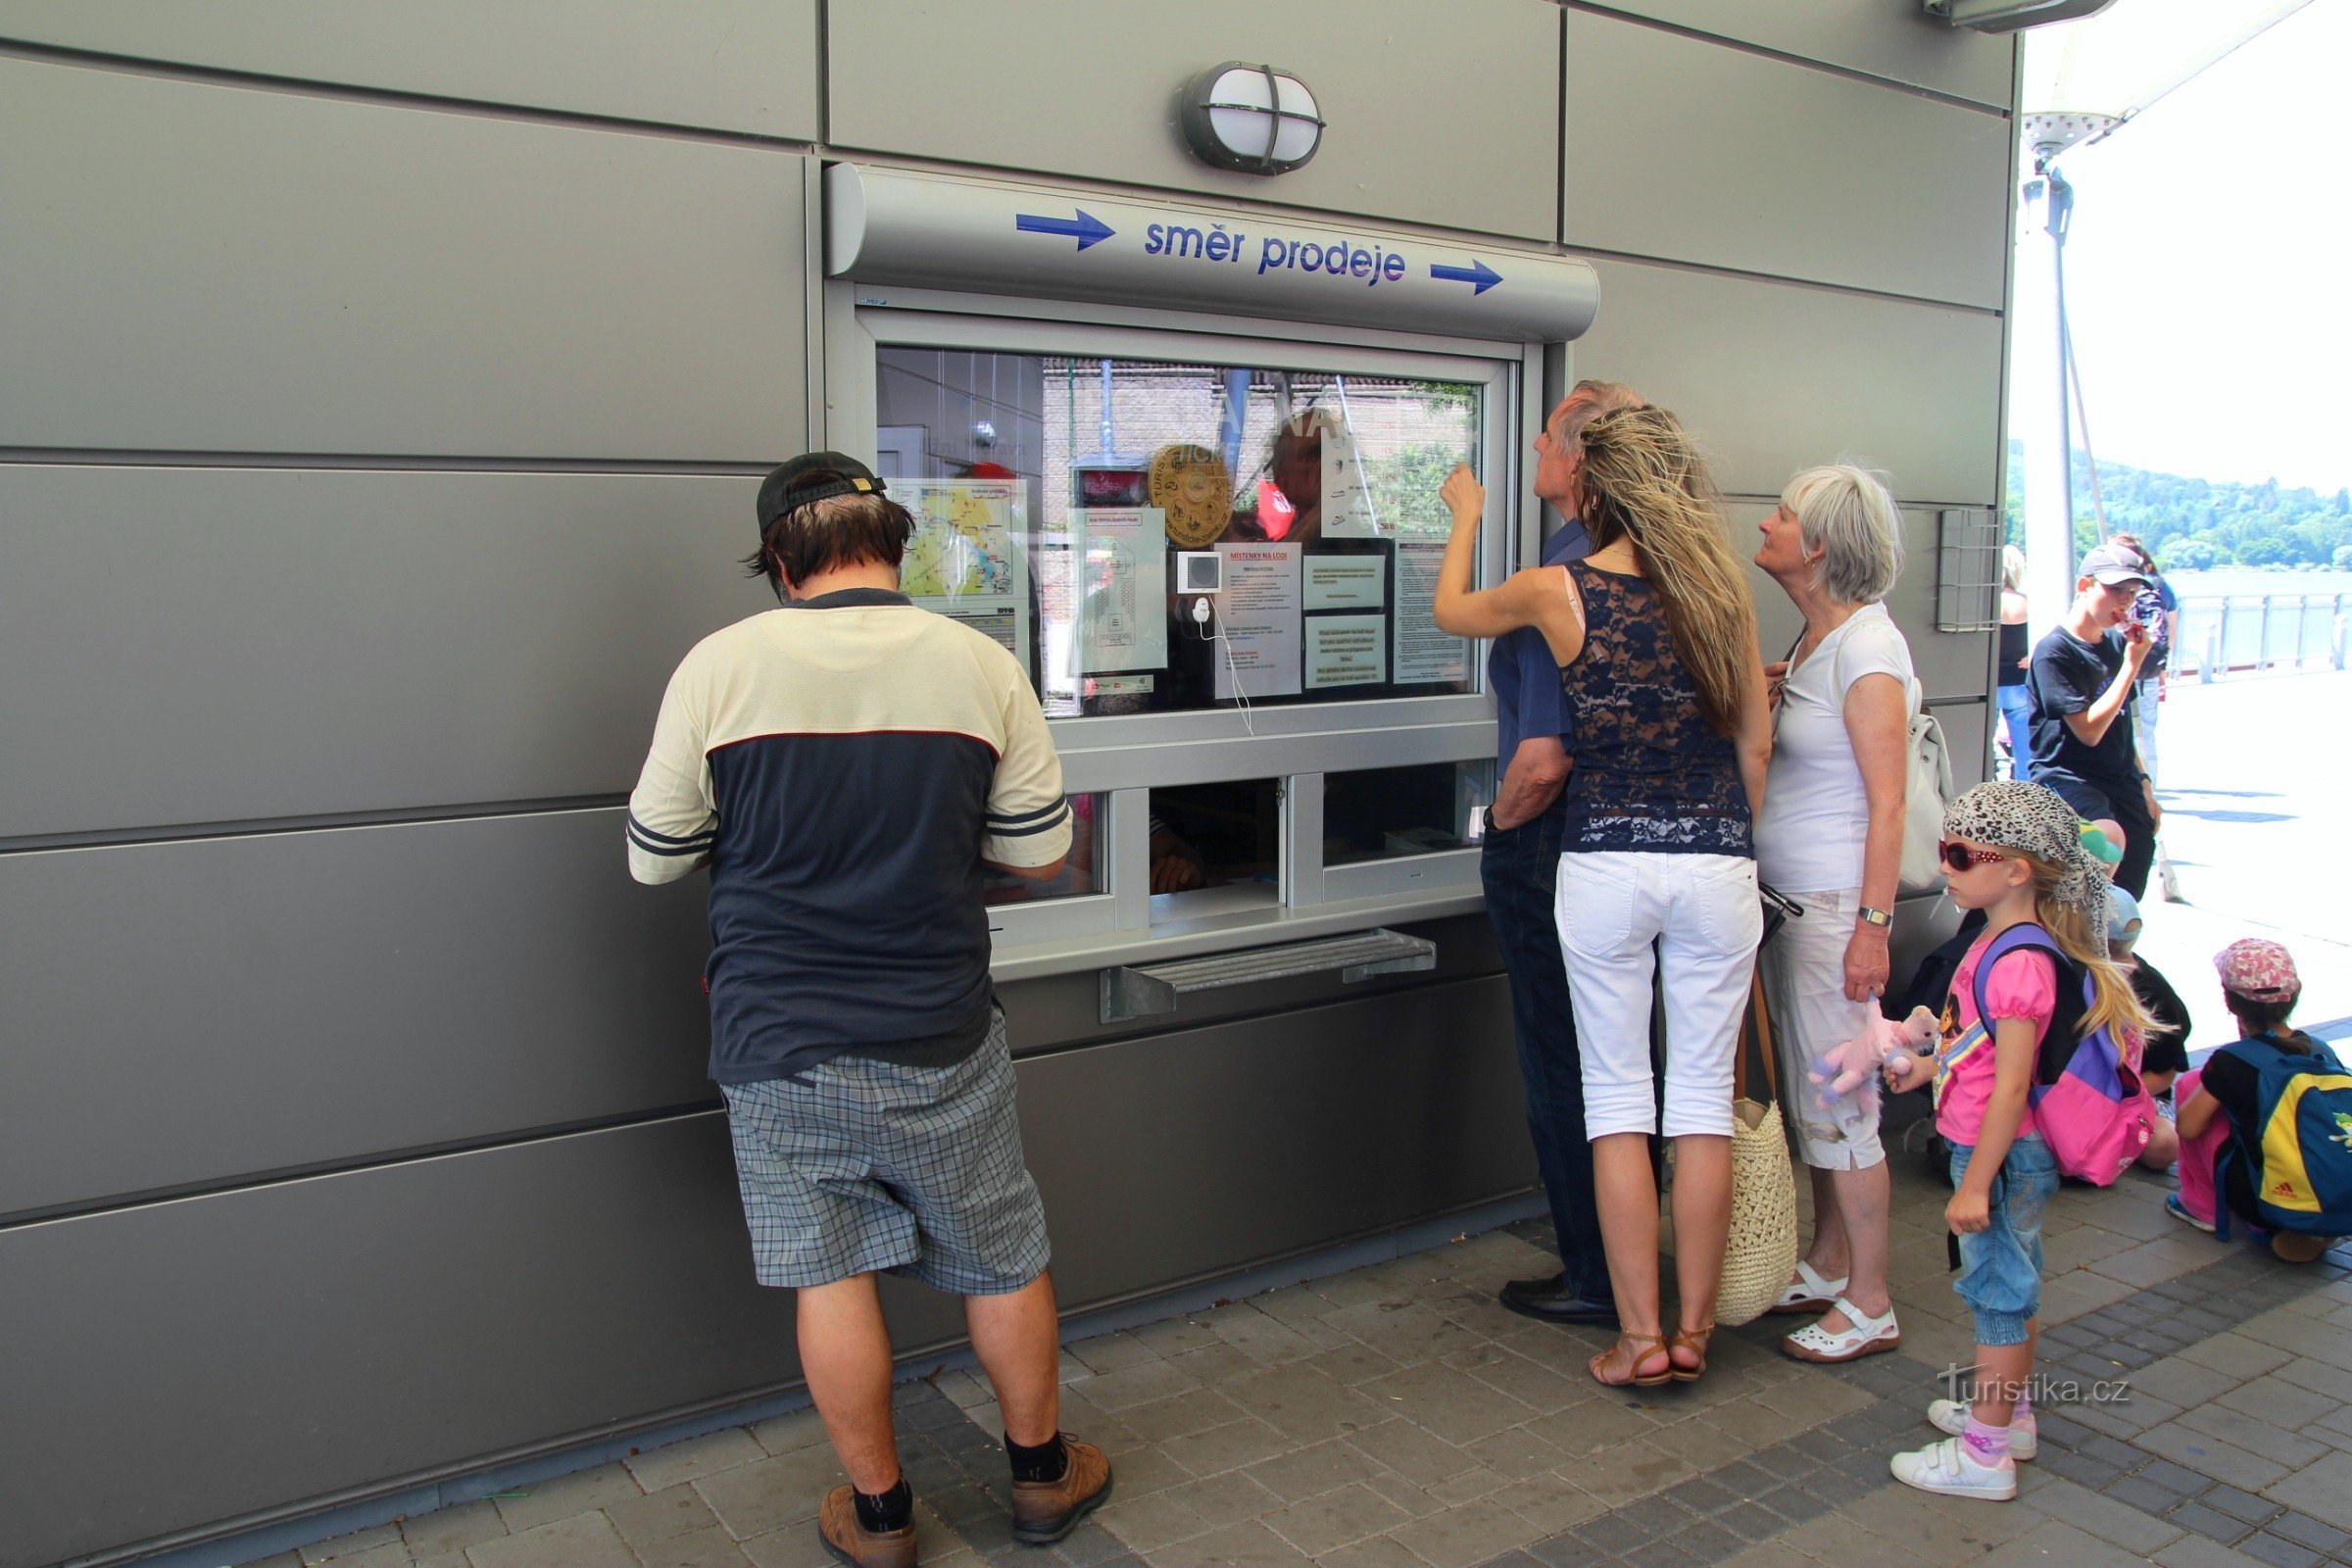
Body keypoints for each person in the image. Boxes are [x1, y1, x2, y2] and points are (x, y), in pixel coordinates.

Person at [626, 453, 1109, 1568]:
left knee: (826, 1268)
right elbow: (1040, 849)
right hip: (939, 1024)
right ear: (896, 542)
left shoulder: (721, 666)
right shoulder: (977, 662)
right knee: (1000, 1251)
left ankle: (883, 1516)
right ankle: (1039, 1479)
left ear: (777, 560)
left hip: (779, 1036)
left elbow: (657, 859)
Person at [1432, 406, 1772, 1389]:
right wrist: (1734, 844)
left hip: (1606, 866)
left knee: (1618, 1104)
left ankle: (1639, 1337)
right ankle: (1698, 1331)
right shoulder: (1721, 592)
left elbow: (1453, 610)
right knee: (1701, 1105)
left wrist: (1464, 515)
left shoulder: (1557, 588)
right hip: (1716, 860)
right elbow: (1753, 743)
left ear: (1598, 482)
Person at [1885, 781, 2147, 1500]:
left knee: (1997, 1294)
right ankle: (2012, 1416)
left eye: (1960, 854)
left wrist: (1973, 1184)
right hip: (2000, 1152)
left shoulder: (2019, 960)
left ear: (2015, 870)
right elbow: (1981, 1049)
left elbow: (2010, 1086)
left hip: (1999, 1156)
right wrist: (1930, 1070)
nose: (1945, 866)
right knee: (2014, 1286)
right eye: (1945, 850)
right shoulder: (1997, 940)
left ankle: (1984, 1453)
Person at [1480, 378, 1644, 1328]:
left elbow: (1543, 755)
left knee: (1562, 1061)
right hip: (1628, 842)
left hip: (1550, 839)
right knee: (1621, 1061)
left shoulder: (1571, 565)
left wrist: (1501, 828)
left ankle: (1594, 1271)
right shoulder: (1651, 557)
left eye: (1546, 434)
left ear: (1578, 462)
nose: (1535, 445)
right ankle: (1628, 1270)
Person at [1751, 465, 1914, 1364]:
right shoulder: (1822, 642)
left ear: (1816, 546)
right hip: (1798, 908)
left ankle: (1871, 1300)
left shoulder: (1867, 651)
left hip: (1833, 914)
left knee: (1841, 1098)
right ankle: (1827, 1259)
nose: (1766, 523)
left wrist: (1872, 929)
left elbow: (1887, 804)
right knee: (1819, 1093)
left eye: (1783, 514)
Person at [2173, 939, 2340, 1261]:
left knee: (2194, 1090)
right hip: (2325, 1185)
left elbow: (2189, 1128)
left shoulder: (2231, 1060)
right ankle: (2312, 1223)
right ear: (2295, 994)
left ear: (2230, 1001)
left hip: (2262, 1194)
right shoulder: (2321, 1049)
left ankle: (2202, 1207)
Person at [2025, 543, 2161, 899]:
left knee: (2130, 881)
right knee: (2104, 844)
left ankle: (2112, 948)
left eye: (2131, 594)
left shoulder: (2116, 645)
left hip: (2120, 778)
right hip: (2068, 777)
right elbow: (2087, 731)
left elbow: (2122, 727)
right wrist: (2131, 667)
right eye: (2115, 590)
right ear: (2085, 586)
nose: (2125, 603)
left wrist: (2144, 783)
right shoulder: (2055, 650)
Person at [2102, 888, 2187, 1170]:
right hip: (2078, 1087)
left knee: (2164, 1145)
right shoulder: (2068, 972)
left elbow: (2164, 1074)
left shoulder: (2155, 995)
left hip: (2134, 1092)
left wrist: (2112, 1102)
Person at [2109, 533, 2177, 786]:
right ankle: (2149, 787)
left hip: (2124, 664)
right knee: (2145, 729)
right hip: (2149, 666)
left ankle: (2139, 787)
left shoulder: (2109, 590)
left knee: (2123, 726)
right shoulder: (2159, 586)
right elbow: (2170, 629)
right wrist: (2162, 667)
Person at [1996, 546, 2033, 782]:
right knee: (2025, 753)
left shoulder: (1987, 604)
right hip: (2019, 680)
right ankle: (2025, 797)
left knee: (1983, 745)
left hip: (1989, 680)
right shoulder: (2027, 603)